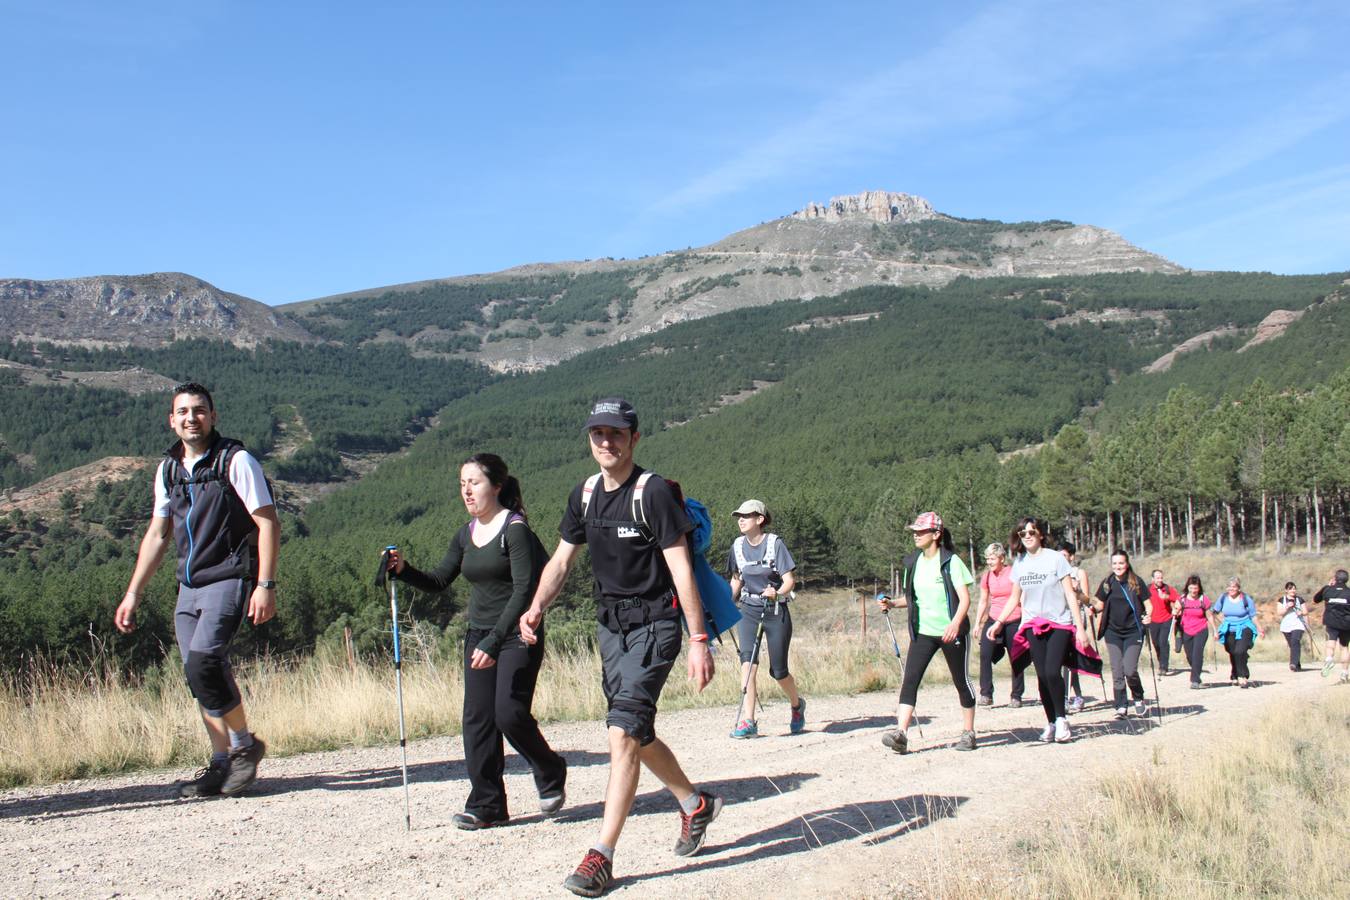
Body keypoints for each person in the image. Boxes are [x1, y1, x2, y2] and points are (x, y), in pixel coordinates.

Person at [519, 398, 717, 898]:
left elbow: (680, 569)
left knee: (622, 731)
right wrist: (537, 606)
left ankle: (601, 856)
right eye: (597, 434)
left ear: (634, 438)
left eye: (615, 434)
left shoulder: (652, 495)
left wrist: (698, 640)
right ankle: (694, 803)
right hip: (612, 630)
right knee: (636, 731)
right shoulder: (584, 495)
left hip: (657, 626)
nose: (606, 442)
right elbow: (562, 561)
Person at [113, 382, 277, 798]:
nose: (191, 418)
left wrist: (265, 585)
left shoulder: (235, 461)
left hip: (229, 577)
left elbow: (268, 523)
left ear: (213, 416)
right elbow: (157, 534)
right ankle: (220, 763)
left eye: (199, 410)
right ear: (172, 420)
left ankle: (244, 747)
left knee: (204, 662)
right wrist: (133, 592)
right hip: (188, 586)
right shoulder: (168, 470)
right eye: (183, 411)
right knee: (198, 676)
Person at [386, 453, 566, 830]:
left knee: (509, 713)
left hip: (516, 634)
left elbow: (522, 592)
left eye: (475, 482)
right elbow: (438, 580)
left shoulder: (515, 530)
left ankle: (549, 768)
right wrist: (403, 572)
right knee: (478, 721)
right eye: (462, 484)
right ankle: (487, 805)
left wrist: (496, 639)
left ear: (496, 486)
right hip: (480, 635)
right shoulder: (465, 534)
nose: (467, 490)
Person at [986, 517, 1093, 744]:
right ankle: (1051, 722)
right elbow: (1014, 598)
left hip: (1059, 624)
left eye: (1031, 532)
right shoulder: (1020, 563)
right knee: (1042, 675)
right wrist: (998, 622)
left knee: (1053, 671)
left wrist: (1080, 628)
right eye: (1022, 532)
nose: (1027, 536)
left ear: (1041, 535)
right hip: (1033, 625)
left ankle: (1062, 719)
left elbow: (1069, 595)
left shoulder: (1055, 559)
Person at [877, 512, 977, 753]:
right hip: (923, 632)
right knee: (910, 679)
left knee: (961, 681)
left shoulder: (951, 562)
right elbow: (912, 599)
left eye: (921, 531)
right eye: (915, 530)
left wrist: (955, 623)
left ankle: (969, 732)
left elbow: (965, 599)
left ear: (936, 535)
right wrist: (892, 603)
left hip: (952, 632)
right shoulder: (913, 563)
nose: (916, 534)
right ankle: (901, 733)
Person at [726, 500, 804, 738]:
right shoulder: (737, 546)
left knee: (778, 671)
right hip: (748, 609)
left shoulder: (775, 544)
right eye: (739, 516)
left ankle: (796, 705)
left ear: (760, 519)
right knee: (747, 664)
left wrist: (777, 592)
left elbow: (789, 580)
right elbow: (737, 579)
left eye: (746, 516)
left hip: (775, 611)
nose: (741, 519)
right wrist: (726, 600)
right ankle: (748, 720)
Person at [1091, 550, 1150, 718]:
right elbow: (1099, 604)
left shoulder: (1136, 582)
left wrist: (1148, 616)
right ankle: (1121, 706)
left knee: (1129, 669)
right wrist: (1084, 599)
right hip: (1113, 632)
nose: (1118, 566)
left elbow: (1148, 604)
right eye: (1115, 563)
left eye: (1121, 563)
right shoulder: (1107, 583)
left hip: (1133, 631)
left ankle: (1138, 698)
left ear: (1127, 563)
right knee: (1117, 670)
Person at [974, 542, 1023, 708]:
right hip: (993, 619)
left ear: (1002, 558)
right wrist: (977, 623)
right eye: (987, 559)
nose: (989, 562)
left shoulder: (1013, 573)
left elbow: (1019, 597)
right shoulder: (987, 577)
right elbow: (983, 601)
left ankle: (1016, 695)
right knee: (985, 654)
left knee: (1016, 657)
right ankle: (986, 694)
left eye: (992, 558)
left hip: (1013, 619)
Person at [1060, 542, 1091, 711]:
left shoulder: (1079, 573)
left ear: (1071, 557)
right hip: (1059, 616)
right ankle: (1076, 694)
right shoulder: (1054, 573)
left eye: (1064, 556)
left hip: (1076, 617)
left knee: (1069, 658)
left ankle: (1067, 697)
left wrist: (1077, 591)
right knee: (1064, 659)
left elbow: (1087, 599)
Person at [1213, 578, 1260, 688]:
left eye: (1234, 587)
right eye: (1230, 587)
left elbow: (1253, 615)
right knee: (1232, 651)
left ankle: (1241, 676)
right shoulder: (1223, 598)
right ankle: (1235, 673)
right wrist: (1216, 623)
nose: (1232, 589)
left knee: (1239, 651)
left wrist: (1259, 628)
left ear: (1239, 588)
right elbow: (1214, 611)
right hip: (1229, 627)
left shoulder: (1246, 599)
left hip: (1244, 627)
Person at [1176, 575, 1215, 688]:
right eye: (1191, 588)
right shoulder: (1182, 599)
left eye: (1195, 588)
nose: (1193, 591)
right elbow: (1176, 609)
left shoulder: (1203, 600)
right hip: (1186, 630)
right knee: (1190, 656)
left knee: (1197, 653)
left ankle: (1195, 680)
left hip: (1201, 630)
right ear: (1187, 587)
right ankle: (1196, 672)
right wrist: (1175, 612)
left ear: (1199, 588)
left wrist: (1214, 630)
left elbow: (1209, 615)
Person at [1312, 569, 1350, 683]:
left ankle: (1329, 659)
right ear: (1346, 580)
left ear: (1335, 578)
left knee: (1330, 644)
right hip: (1346, 624)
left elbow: (1314, 600)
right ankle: (1344, 674)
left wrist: (1328, 586)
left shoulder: (1327, 589)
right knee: (1344, 648)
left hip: (1331, 622)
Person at [1146, 569, 1180, 675]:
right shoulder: (1147, 589)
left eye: (1161, 577)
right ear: (1153, 579)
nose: (1160, 580)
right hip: (1153, 620)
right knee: (1156, 642)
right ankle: (1161, 661)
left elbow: (1179, 600)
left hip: (1167, 619)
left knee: (1163, 642)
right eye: (1157, 578)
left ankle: (1164, 666)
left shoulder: (1168, 589)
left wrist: (1167, 598)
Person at [1276, 582, 1308, 672]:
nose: (1293, 590)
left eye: (1294, 588)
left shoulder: (1300, 599)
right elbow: (1279, 612)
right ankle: (1297, 664)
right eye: (1290, 589)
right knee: (1292, 645)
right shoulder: (1281, 600)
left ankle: (1292, 663)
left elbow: (1305, 611)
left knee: (1295, 641)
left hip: (1298, 624)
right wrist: (1286, 607)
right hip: (1286, 625)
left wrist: (1301, 612)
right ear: (1286, 590)